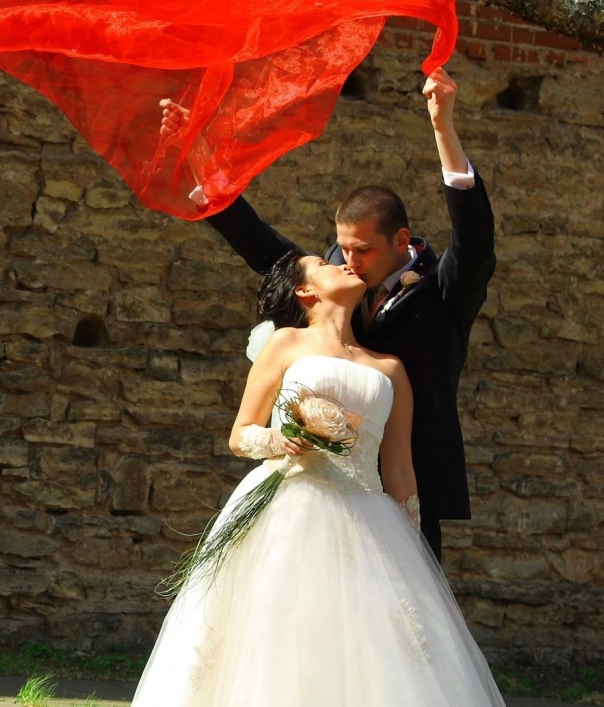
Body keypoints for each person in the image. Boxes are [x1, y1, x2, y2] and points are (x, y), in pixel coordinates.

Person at [90, 250, 590, 707]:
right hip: (286, 512)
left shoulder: (391, 370)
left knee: (369, 690)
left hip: (366, 522)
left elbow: (401, 470)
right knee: (270, 677)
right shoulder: (287, 345)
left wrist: (416, 559)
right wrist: (281, 441)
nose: (340, 261)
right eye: (323, 261)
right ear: (304, 288)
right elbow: (242, 430)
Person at [185, 68, 493, 561]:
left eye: (362, 251)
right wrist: (202, 165)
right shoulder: (334, 280)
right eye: (341, 250)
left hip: (409, 477)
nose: (347, 263)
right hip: (319, 485)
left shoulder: (443, 292)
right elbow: (264, 248)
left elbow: (475, 242)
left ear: (401, 241)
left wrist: (443, 128)